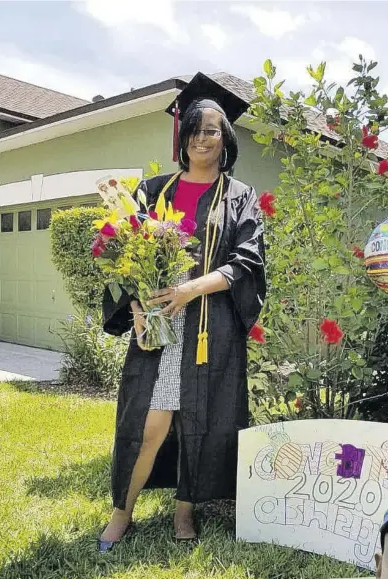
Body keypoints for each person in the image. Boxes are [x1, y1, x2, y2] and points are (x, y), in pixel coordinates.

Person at [99, 73, 266, 551]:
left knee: (203, 418)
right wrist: (133, 304)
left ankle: (185, 510)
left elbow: (246, 262)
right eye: (193, 129)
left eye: (211, 130)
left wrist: (192, 289)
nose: (201, 138)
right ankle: (121, 512)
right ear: (182, 136)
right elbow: (122, 256)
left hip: (209, 329)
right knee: (146, 422)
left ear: (226, 138)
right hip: (159, 327)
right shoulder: (152, 190)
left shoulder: (240, 196)